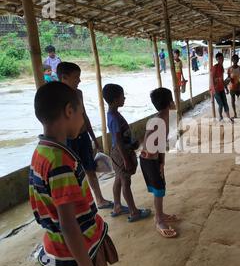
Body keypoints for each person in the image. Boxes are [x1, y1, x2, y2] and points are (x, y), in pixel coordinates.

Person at [29, 82, 118, 266]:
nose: (84, 121)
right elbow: (68, 223)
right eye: (82, 112)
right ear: (69, 111)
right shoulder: (60, 162)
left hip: (55, 250)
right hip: (75, 259)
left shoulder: (41, 152)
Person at [57, 62, 114, 211]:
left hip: (83, 137)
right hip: (68, 141)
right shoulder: (57, 97)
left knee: (90, 169)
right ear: (64, 78)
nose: (79, 81)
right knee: (74, 174)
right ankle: (81, 205)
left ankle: (99, 199)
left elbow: (84, 117)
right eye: (76, 77)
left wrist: (95, 139)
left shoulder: (78, 94)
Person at [102, 84, 151, 222]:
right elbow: (118, 141)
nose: (124, 98)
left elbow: (122, 137)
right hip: (120, 152)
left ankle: (117, 206)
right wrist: (126, 159)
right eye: (122, 96)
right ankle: (134, 212)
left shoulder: (114, 114)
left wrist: (132, 144)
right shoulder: (114, 117)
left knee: (119, 178)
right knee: (125, 181)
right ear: (115, 99)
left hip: (121, 150)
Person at [140, 88, 178, 238]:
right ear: (170, 103)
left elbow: (161, 144)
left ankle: (161, 214)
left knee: (160, 188)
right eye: (173, 100)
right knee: (159, 190)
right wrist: (159, 162)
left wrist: (161, 162)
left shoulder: (162, 117)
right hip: (150, 160)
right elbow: (157, 145)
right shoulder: (162, 120)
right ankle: (158, 220)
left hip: (152, 159)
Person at [211, 52, 234, 122]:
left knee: (225, 103)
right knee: (221, 104)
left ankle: (228, 117)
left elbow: (222, 79)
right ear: (217, 59)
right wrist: (214, 89)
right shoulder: (215, 67)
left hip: (221, 88)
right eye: (219, 59)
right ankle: (220, 116)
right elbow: (211, 79)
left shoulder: (222, 67)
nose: (221, 60)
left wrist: (226, 87)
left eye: (222, 58)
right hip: (215, 89)